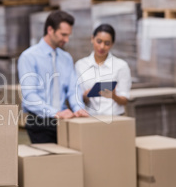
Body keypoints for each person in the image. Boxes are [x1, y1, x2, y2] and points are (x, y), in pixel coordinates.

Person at [18, 10, 88, 144]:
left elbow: (73, 88)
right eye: (63, 35)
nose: (66, 40)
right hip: (40, 121)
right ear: (50, 30)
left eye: (68, 36)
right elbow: (29, 95)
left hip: (62, 120)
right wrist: (54, 112)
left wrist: (78, 107)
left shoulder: (66, 58)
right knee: (50, 163)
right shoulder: (29, 57)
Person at [75, 23, 131, 116]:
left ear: (112, 44)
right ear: (92, 39)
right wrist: (85, 96)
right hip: (89, 118)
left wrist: (114, 96)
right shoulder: (80, 65)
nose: (102, 47)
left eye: (107, 43)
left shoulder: (121, 66)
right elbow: (77, 99)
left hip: (115, 117)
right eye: (99, 41)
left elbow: (124, 100)